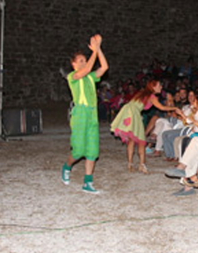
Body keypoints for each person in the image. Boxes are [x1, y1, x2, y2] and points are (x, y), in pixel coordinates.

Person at [62, 34, 109, 194]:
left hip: (92, 114)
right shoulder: (72, 77)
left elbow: (104, 67)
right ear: (73, 64)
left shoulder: (90, 77)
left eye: (85, 60)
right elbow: (88, 68)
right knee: (78, 150)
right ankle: (67, 166)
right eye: (80, 61)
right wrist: (94, 51)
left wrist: (99, 49)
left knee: (92, 151)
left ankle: (88, 182)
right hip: (80, 114)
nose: (83, 63)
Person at [110, 80, 180, 173]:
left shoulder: (142, 93)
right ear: (153, 87)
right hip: (134, 113)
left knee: (132, 139)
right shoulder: (152, 96)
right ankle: (142, 165)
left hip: (128, 111)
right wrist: (175, 108)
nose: (161, 87)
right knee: (141, 140)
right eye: (159, 85)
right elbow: (162, 107)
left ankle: (130, 164)